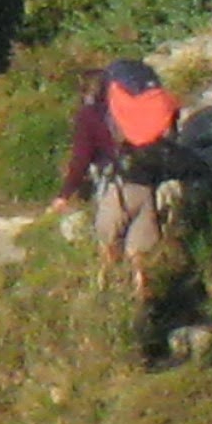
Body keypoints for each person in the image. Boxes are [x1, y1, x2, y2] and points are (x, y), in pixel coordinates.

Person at [48, 59, 183, 295]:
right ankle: (144, 296)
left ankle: (107, 300)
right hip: (147, 184)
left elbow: (81, 159)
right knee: (139, 256)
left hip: (117, 190)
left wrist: (64, 195)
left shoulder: (89, 115)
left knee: (107, 249)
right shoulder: (129, 112)